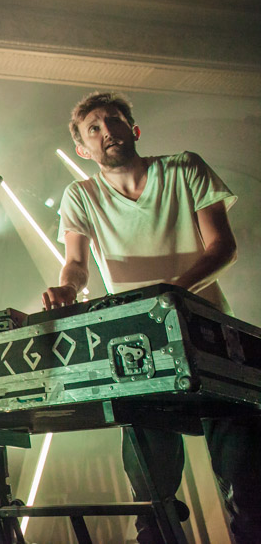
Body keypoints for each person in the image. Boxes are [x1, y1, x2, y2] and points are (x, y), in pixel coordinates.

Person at [41, 91, 259, 543]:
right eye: (94, 129)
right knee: (151, 494)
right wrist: (68, 287)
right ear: (83, 149)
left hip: (210, 334)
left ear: (133, 130)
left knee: (247, 485)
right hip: (138, 345)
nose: (107, 133)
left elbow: (223, 247)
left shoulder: (184, 168)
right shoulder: (79, 195)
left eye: (114, 122)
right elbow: (77, 264)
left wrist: (173, 292)